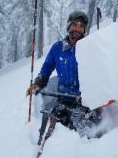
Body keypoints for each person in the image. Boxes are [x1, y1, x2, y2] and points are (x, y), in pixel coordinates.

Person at [27, 11, 100, 144]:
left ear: (84, 29)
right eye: (74, 25)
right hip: (63, 101)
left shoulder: (90, 47)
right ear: (68, 27)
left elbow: (100, 72)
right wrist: (38, 82)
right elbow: (47, 68)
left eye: (81, 26)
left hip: (85, 103)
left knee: (86, 140)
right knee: (54, 136)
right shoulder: (57, 48)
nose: (77, 29)